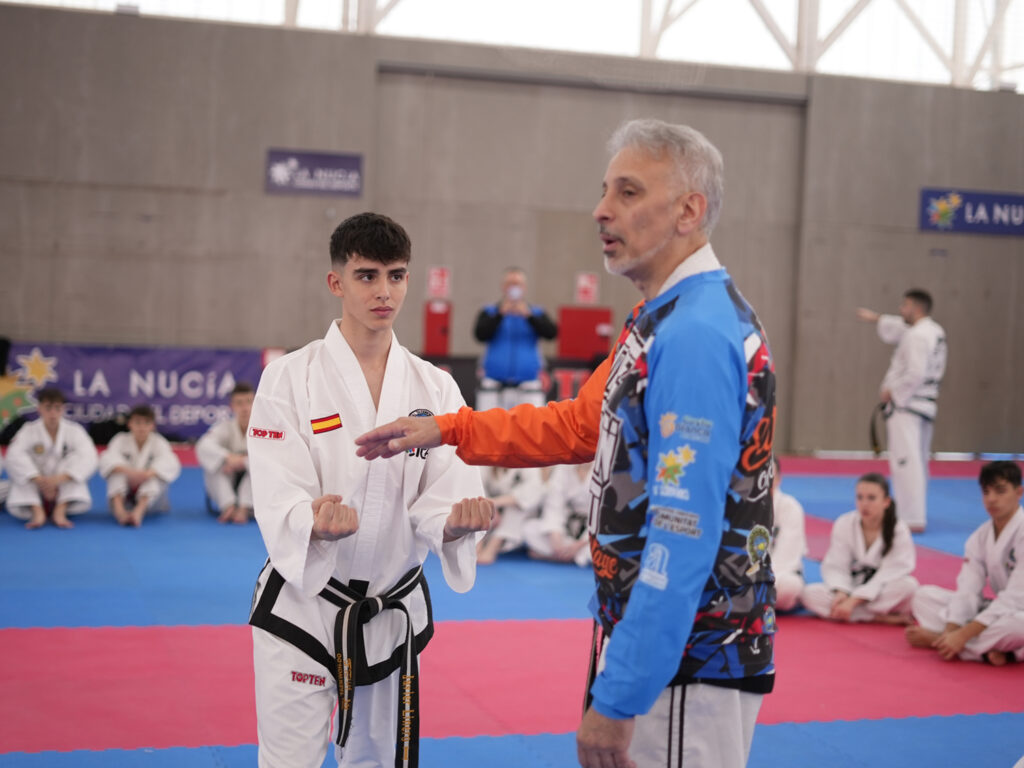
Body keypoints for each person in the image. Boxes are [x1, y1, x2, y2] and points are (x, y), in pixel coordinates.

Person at [357, 119, 777, 768]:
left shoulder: (694, 334)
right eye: (605, 190)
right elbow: (580, 425)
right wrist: (451, 428)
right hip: (652, 638)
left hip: (689, 656)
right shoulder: (660, 319)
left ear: (688, 211)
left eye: (629, 193)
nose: (602, 210)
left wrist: (622, 693)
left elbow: (682, 531)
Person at [245, 212, 493, 768]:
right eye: (367, 276)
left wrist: (454, 523)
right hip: (305, 606)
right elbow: (277, 482)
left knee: (378, 763)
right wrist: (310, 519)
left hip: (389, 611)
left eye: (396, 275)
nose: (385, 291)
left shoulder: (436, 386)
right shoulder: (289, 377)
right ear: (336, 282)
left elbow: (445, 489)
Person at [905, 460, 1024, 665]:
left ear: (1019, 492)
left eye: (1000, 491)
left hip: (1018, 611)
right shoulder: (980, 537)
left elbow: (1016, 597)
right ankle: (978, 648)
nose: (991, 499)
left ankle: (940, 641)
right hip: (1000, 609)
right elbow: (968, 589)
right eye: (986, 492)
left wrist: (963, 635)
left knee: (1017, 627)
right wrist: (952, 629)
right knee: (923, 597)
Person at [856, 290, 947, 532]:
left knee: (906, 463)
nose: (900, 309)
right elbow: (899, 327)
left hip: (908, 405)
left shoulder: (917, 336)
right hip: (924, 404)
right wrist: (876, 318)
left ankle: (911, 518)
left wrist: (893, 392)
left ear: (916, 308)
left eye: (905, 305)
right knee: (917, 461)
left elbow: (915, 373)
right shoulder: (934, 331)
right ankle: (914, 513)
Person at [801, 473, 918, 623]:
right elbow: (836, 565)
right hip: (851, 586)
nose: (864, 504)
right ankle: (877, 617)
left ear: (886, 502)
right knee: (808, 594)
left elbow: (892, 571)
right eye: (860, 497)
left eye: (871, 498)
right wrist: (841, 592)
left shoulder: (898, 529)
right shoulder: (844, 523)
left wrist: (854, 601)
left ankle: (850, 612)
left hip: (879, 590)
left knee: (909, 586)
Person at [5, 387, 98, 529]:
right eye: (48, 408)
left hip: (63, 486)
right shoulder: (28, 430)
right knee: (23, 474)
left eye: (57, 408)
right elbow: (13, 456)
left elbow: (89, 457)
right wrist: (38, 479)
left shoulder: (75, 430)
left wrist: (58, 479)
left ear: (63, 409)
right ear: (39, 409)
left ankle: (61, 509)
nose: (53, 413)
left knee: (74, 463)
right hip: (36, 486)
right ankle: (37, 510)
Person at [473, 267, 558, 410]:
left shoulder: (537, 312)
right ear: (503, 287)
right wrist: (500, 314)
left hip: (528, 386)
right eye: (510, 283)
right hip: (494, 386)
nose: (513, 288)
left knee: (532, 423)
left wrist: (529, 316)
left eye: (517, 284)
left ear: (524, 287)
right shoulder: (490, 311)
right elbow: (480, 335)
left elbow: (551, 333)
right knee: (487, 422)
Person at [98, 404, 182, 526]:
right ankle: (120, 512)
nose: (142, 427)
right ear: (129, 424)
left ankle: (138, 512)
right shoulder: (120, 439)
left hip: (151, 502)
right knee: (116, 475)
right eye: (137, 422)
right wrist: (131, 473)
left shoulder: (159, 442)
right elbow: (107, 459)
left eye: (146, 423)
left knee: (154, 478)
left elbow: (170, 463)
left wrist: (147, 474)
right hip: (126, 492)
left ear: (153, 425)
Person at [196, 382, 255, 524]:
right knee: (214, 466)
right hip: (229, 479)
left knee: (259, 467)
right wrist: (227, 457)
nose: (245, 408)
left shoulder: (265, 429)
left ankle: (244, 507)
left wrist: (242, 462)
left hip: (252, 486)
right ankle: (228, 506)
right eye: (239, 403)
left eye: (248, 402)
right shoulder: (225, 427)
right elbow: (203, 446)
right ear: (231, 406)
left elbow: (272, 458)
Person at [522, 462, 593, 567]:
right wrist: (555, 537)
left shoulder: (606, 469)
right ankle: (566, 555)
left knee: (600, 548)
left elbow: (605, 517)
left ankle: (555, 557)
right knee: (529, 528)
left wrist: (580, 544)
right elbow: (554, 505)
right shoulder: (564, 467)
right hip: (567, 526)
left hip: (591, 533)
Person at [476, 465, 546, 564]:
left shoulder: (529, 465)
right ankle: (477, 544)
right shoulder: (485, 463)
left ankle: (492, 547)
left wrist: (494, 503)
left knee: (516, 508)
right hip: (494, 511)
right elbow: (477, 487)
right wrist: (489, 507)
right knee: (479, 505)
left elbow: (531, 494)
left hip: (521, 514)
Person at [771, 457, 807, 612]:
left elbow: (787, 555)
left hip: (779, 576)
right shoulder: (741, 505)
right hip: (745, 576)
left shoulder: (790, 507)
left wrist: (761, 581)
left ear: (779, 478)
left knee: (789, 587)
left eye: (770, 475)